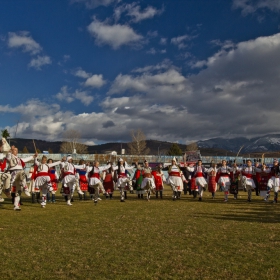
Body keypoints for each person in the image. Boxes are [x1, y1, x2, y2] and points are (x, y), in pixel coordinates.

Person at [6, 145, 36, 210]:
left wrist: (33, 156)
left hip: (19, 175)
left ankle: (16, 206)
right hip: (13, 173)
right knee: (22, 172)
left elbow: (25, 159)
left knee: (18, 191)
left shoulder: (19, 158)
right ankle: (25, 188)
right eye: (14, 150)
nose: (16, 151)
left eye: (16, 150)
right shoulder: (10, 156)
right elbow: (8, 157)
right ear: (12, 151)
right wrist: (9, 151)